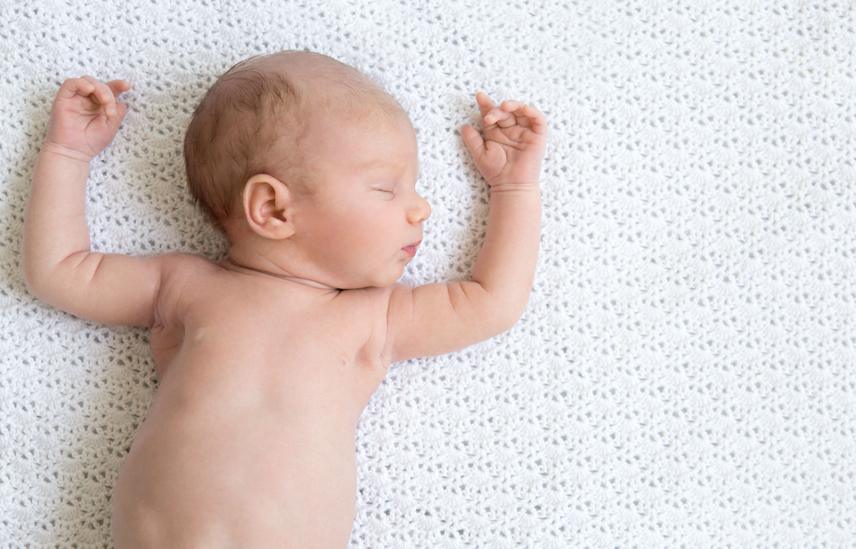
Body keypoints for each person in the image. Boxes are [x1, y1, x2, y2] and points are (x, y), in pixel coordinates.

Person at [22, 49, 546, 547]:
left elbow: (491, 300)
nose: (421, 208)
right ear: (272, 209)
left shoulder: (374, 317)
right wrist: (67, 153)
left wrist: (515, 188)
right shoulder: (182, 286)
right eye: (387, 188)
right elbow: (58, 270)